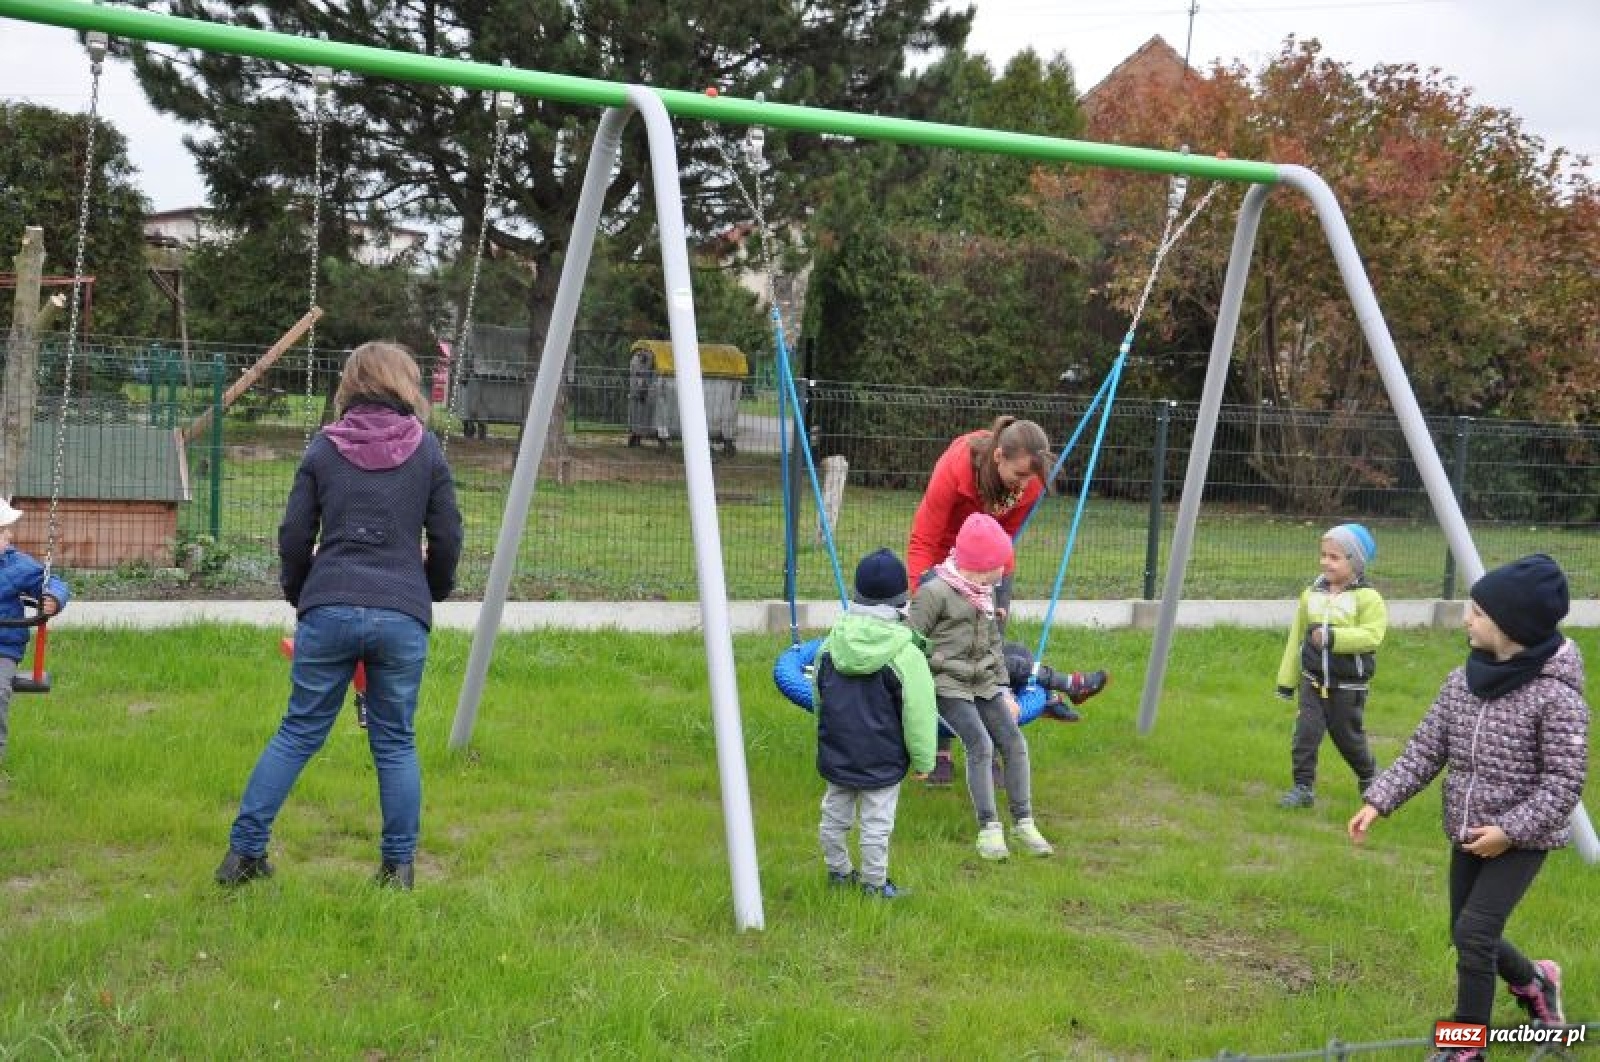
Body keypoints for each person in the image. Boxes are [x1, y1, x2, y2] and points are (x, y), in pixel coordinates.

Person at [216, 340, 463, 891]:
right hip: (401, 612)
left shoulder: (324, 449)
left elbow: (294, 535)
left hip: (328, 605)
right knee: (395, 741)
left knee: (298, 731)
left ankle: (243, 857)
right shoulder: (427, 451)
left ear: (351, 384)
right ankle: (397, 869)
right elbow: (448, 536)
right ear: (405, 384)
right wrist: (433, 591)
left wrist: (302, 593)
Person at [1348, 555, 1586, 1058]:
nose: (1466, 620)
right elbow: (1425, 749)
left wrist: (1509, 831)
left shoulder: (1556, 697)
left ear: (1510, 625)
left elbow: (1564, 784)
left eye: (1476, 612)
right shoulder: (1462, 681)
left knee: (1476, 933)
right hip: (1467, 831)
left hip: (1522, 840)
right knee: (1467, 933)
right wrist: (1379, 801)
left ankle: (1466, 1047)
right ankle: (1536, 981)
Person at [907, 415, 1107, 786]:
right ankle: (939, 753)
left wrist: (992, 590)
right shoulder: (955, 470)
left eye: (1030, 479)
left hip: (990, 565)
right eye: (1018, 476)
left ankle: (993, 748)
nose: (1025, 486)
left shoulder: (1028, 482)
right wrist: (925, 598)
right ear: (997, 456)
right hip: (943, 558)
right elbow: (923, 539)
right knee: (946, 652)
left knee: (987, 650)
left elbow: (1006, 536)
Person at [907, 512, 1053, 860]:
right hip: (947, 685)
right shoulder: (935, 593)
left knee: (1014, 740)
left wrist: (1003, 689)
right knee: (980, 743)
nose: (1005, 572)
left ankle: (1023, 821)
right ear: (981, 565)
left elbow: (993, 648)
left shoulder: (983, 594)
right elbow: (909, 643)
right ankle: (989, 828)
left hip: (983, 683)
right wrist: (923, 679)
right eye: (1000, 565)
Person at [813, 547, 938, 899]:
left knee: (833, 816)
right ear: (903, 604)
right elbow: (920, 714)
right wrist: (926, 761)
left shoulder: (831, 644)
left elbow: (819, 699)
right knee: (876, 825)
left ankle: (838, 871)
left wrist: (825, 736)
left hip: (837, 751)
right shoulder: (906, 654)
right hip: (883, 758)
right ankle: (874, 884)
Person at [1275, 523, 1386, 809]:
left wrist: (1334, 638)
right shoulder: (1311, 594)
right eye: (1323, 554)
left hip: (1348, 687)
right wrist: (1286, 682)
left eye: (1335, 557)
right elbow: (1295, 639)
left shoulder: (1368, 598)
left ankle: (1370, 775)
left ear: (1355, 562)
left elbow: (1372, 636)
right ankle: (1302, 788)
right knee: (1305, 737)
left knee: (1348, 739)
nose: (1326, 562)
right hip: (1312, 682)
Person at [0, 498, 70, 763]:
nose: (9, 534)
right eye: (2, 530)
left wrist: (54, 597)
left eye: (7, 529)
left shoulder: (17, 565)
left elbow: (52, 581)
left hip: (2, 648)